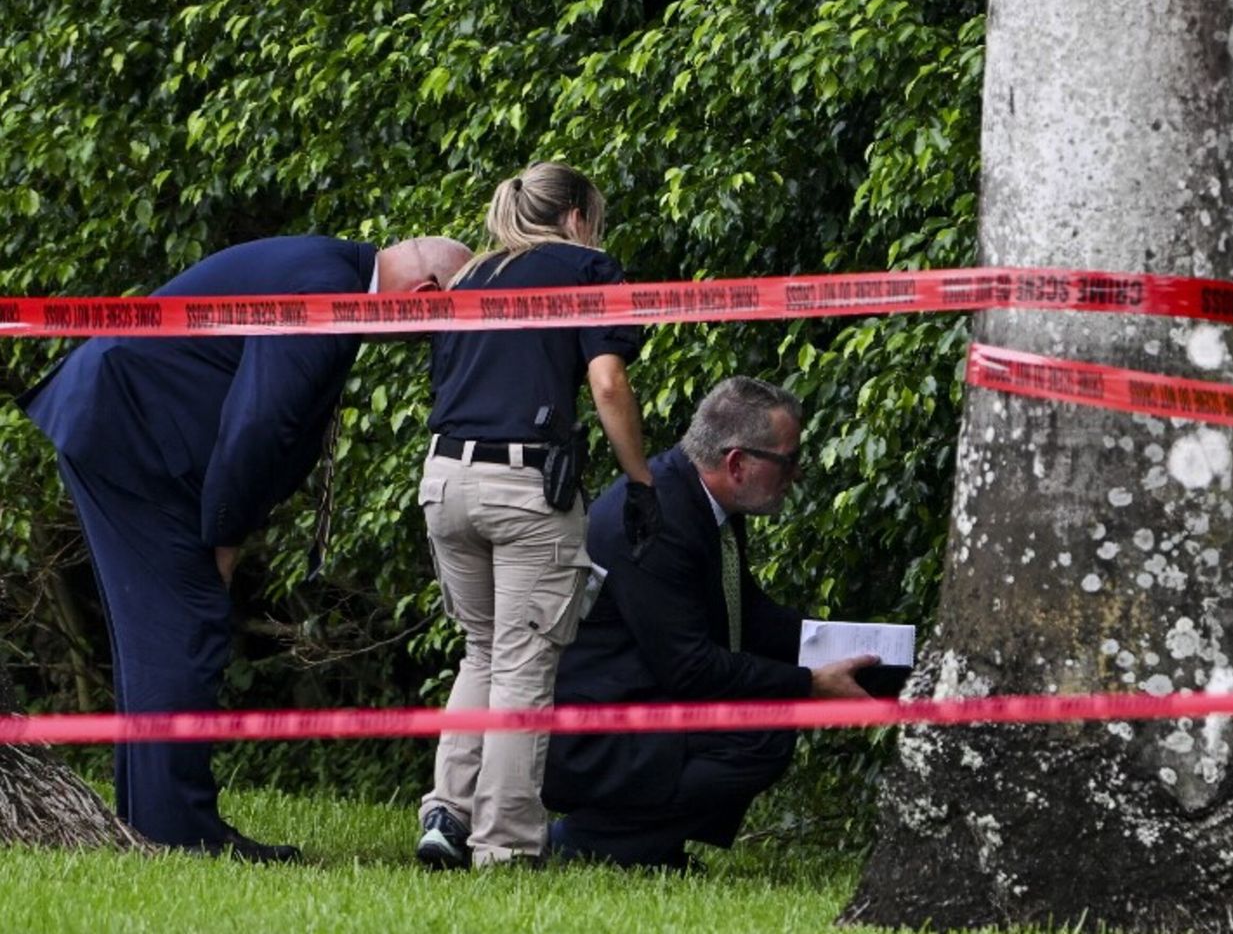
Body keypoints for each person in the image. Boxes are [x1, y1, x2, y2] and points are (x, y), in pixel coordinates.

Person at [19, 234, 473, 861]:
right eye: (437, 328)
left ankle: (152, 822)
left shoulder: (332, 268)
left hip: (126, 427)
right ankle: (178, 835)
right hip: (131, 436)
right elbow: (261, 421)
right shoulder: (326, 291)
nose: (424, 342)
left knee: (158, 634)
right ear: (423, 297)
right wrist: (225, 538)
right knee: (185, 625)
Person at [414, 162, 659, 870]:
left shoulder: (469, 276)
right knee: (523, 663)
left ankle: (448, 816)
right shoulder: (587, 268)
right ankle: (506, 846)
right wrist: (640, 481)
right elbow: (607, 382)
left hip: (444, 478)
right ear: (577, 216)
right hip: (523, 485)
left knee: (482, 650)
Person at [542, 376, 877, 870]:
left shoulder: (703, 499)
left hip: (643, 702)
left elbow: (748, 615)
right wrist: (809, 685)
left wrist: (863, 649)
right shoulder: (660, 521)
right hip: (593, 733)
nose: (797, 474)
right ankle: (589, 841)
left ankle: (645, 847)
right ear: (737, 463)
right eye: (787, 461)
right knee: (761, 733)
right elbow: (691, 668)